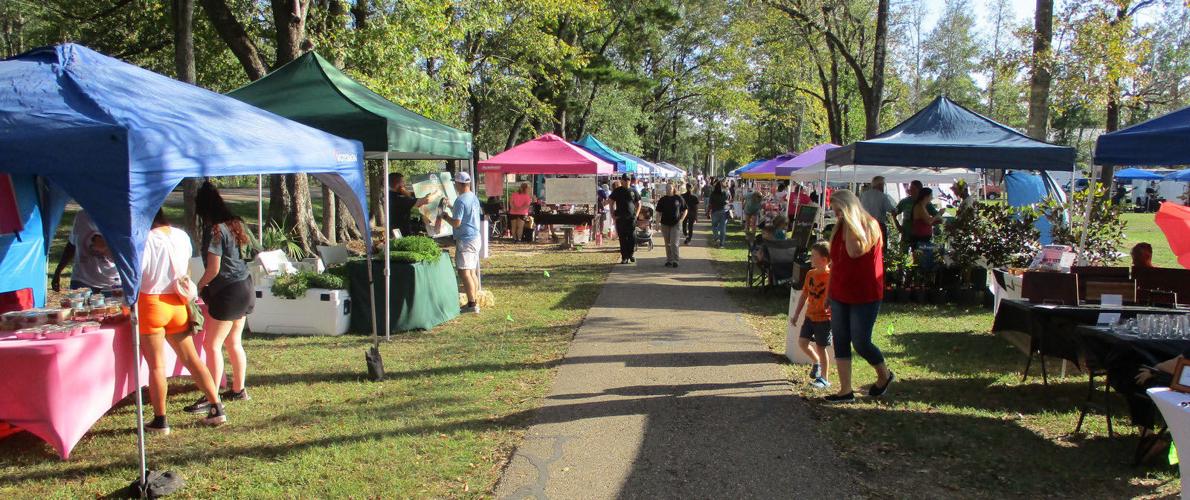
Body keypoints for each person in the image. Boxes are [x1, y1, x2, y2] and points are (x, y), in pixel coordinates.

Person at [139, 209, 226, 433]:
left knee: (157, 366)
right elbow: (185, 265)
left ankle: (160, 420)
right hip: (178, 302)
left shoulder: (145, 239)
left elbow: (138, 274)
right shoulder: (180, 235)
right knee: (193, 358)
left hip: (151, 303)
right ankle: (216, 406)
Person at [184, 182, 255, 415]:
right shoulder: (234, 224)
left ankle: (211, 395)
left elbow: (213, 268)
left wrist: (198, 286)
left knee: (211, 344)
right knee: (233, 341)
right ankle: (238, 389)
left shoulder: (214, 230)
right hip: (245, 286)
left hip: (228, 292)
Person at [825, 190, 893, 403]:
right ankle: (845, 390)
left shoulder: (869, 224)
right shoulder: (840, 227)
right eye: (834, 211)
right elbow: (834, 263)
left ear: (848, 207)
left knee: (861, 341)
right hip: (839, 291)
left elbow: (854, 251)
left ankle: (884, 374)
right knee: (841, 339)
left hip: (865, 293)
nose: (836, 216)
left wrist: (849, 223)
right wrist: (828, 293)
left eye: (839, 211)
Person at [791, 242, 832, 389]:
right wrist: (796, 313)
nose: (811, 258)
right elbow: (804, 295)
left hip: (824, 318)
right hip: (810, 316)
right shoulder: (810, 274)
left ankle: (824, 378)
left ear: (825, 259)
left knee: (821, 348)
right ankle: (816, 362)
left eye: (814, 255)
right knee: (802, 343)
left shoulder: (830, 277)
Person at [440, 172, 483, 314]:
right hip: (475, 237)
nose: (455, 185)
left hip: (465, 239)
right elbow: (465, 213)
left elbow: (457, 223)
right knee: (471, 271)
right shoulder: (472, 197)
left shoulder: (461, 200)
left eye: (455, 183)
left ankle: (471, 304)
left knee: (464, 272)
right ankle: (475, 300)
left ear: (459, 184)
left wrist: (445, 216)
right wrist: (452, 207)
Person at [52, 210, 121, 292]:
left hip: (112, 284)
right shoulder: (81, 216)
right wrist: (58, 271)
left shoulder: (119, 218)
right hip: (81, 282)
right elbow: (71, 245)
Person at [609, 174, 642, 264]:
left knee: (632, 237)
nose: (627, 181)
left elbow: (639, 203)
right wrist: (612, 214)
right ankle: (624, 257)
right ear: (622, 181)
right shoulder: (617, 191)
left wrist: (636, 215)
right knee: (622, 238)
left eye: (628, 180)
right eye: (625, 180)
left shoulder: (633, 191)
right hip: (620, 217)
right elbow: (611, 201)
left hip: (631, 218)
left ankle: (630, 254)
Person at [895, 180, 937, 248]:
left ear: (919, 190)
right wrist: (897, 225)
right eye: (910, 188)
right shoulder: (904, 201)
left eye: (913, 188)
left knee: (918, 254)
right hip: (906, 232)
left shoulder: (926, 203)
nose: (910, 190)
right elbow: (894, 213)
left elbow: (936, 215)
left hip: (920, 234)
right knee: (903, 253)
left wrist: (930, 223)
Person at [859, 176, 897, 247]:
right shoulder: (882, 196)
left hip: (865, 225)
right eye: (883, 184)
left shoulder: (863, 195)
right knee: (880, 248)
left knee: (866, 247)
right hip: (878, 225)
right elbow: (891, 210)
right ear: (880, 185)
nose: (883, 187)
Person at [656, 183, 688, 268]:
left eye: (670, 188)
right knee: (667, 243)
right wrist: (657, 224)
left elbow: (685, 210)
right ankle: (669, 260)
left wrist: (681, 219)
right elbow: (658, 212)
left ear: (673, 189)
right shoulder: (662, 199)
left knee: (674, 243)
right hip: (665, 224)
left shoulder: (678, 198)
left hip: (676, 223)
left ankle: (675, 260)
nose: (668, 189)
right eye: (667, 188)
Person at [388, 173, 429, 238]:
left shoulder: (390, 195)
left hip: (394, 230)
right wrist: (437, 193)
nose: (405, 184)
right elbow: (426, 200)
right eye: (403, 182)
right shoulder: (399, 198)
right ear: (398, 184)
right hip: (401, 233)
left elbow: (410, 195)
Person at [708, 181, 729, 248]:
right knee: (723, 228)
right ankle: (722, 244)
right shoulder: (724, 193)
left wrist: (708, 211)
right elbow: (727, 201)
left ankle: (716, 238)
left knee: (714, 226)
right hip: (723, 211)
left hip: (715, 212)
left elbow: (710, 204)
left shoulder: (712, 194)